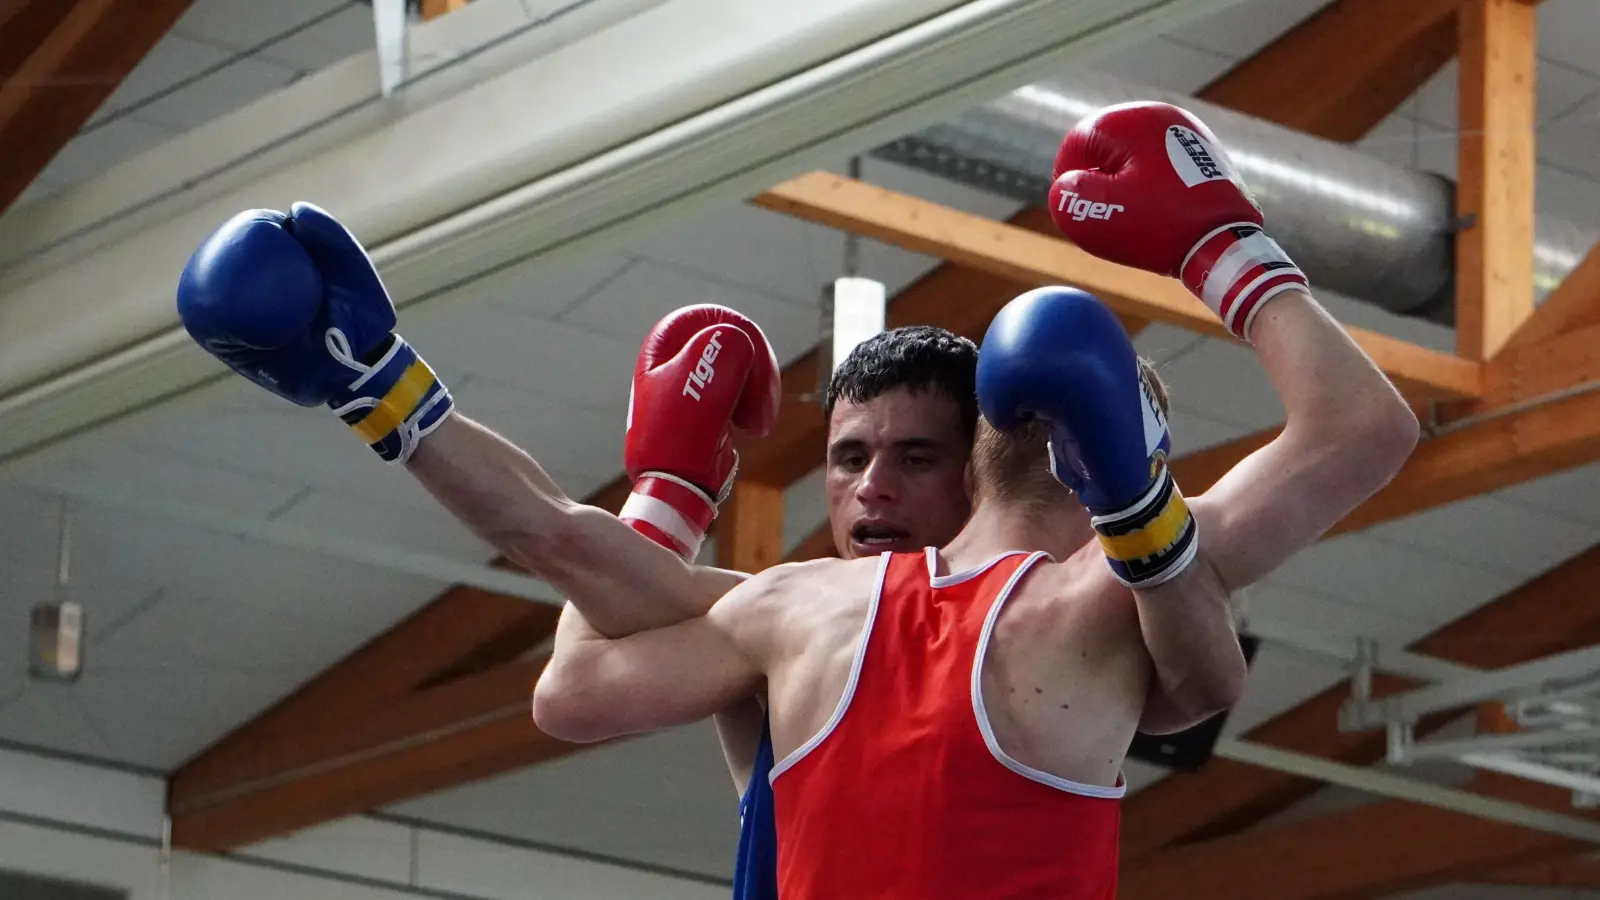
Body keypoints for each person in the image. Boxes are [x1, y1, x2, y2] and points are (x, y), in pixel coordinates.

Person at [520, 101, 1421, 898]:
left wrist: (1225, 252)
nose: (873, 490)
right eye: (848, 459)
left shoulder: (1098, 599)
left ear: (979, 474)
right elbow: (574, 678)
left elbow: (1361, 435)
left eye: (915, 458)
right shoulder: (792, 616)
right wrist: (669, 495)